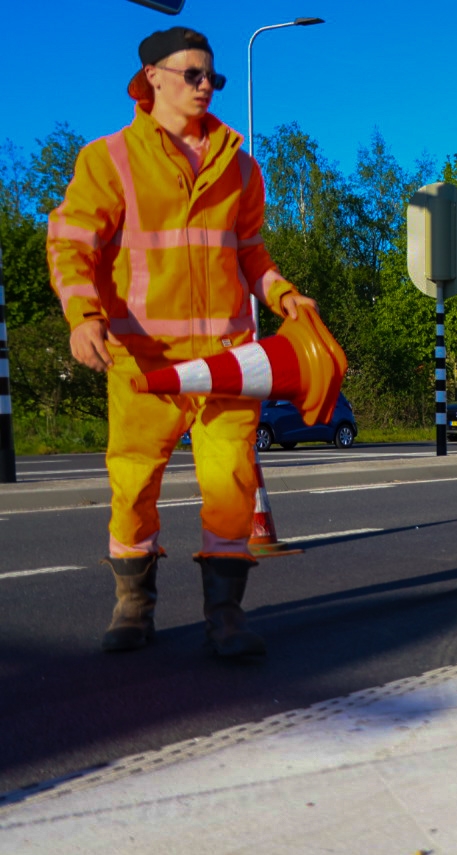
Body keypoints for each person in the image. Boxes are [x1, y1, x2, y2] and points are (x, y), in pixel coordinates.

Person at [47, 26, 316, 658]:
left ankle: (225, 619)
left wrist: (282, 295)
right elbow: (71, 243)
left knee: (231, 488)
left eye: (212, 77)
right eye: (192, 74)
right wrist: (84, 316)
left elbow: (251, 252)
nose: (205, 86)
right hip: (144, 362)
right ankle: (133, 606)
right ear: (152, 80)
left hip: (227, 363)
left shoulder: (239, 164)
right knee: (133, 486)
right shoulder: (108, 159)